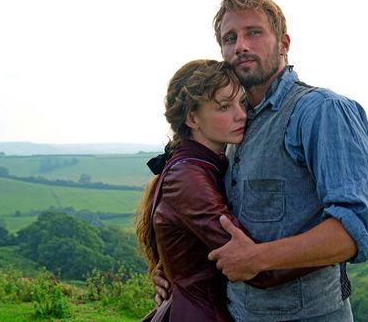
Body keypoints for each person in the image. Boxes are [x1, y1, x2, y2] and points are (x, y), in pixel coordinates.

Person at [155, 0, 368, 321]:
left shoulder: (320, 111)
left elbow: (365, 229)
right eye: (229, 38)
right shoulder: (237, 124)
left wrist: (260, 258)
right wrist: (181, 273)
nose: (240, 45)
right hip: (237, 313)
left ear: (283, 43)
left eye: (254, 32)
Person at [136, 59, 318, 322]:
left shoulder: (205, 164)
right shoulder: (188, 178)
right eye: (224, 106)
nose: (241, 114)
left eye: (241, 102)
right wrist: (332, 247)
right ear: (192, 118)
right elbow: (252, 265)